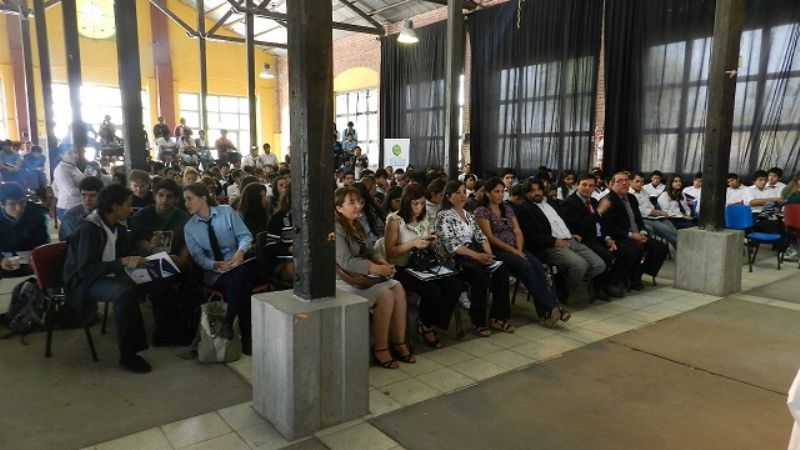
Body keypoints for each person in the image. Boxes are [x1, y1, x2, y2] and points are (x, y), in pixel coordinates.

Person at [63, 185, 152, 373]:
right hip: (85, 282)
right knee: (124, 293)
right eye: (128, 205)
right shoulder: (89, 229)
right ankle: (128, 356)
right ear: (115, 206)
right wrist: (122, 262)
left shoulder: (117, 227)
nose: (131, 209)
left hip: (107, 275)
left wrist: (148, 253)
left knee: (154, 278)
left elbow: (126, 254)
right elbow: (84, 271)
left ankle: (165, 333)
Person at [335, 186, 414, 369]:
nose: (358, 206)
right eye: (352, 203)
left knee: (397, 287)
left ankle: (399, 341)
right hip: (344, 279)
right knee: (385, 295)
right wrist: (376, 268)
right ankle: (380, 347)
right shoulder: (336, 227)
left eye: (359, 202)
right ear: (339, 208)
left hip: (362, 274)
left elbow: (369, 249)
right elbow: (345, 262)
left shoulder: (356, 223)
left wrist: (382, 262)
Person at [475, 178, 566, 327]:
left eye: (502, 191)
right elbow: (490, 237)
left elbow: (517, 230)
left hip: (517, 248)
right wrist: (514, 251)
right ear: (487, 193)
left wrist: (518, 249)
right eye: (496, 192)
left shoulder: (507, 208)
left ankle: (546, 314)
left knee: (537, 266)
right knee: (526, 267)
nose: (500, 195)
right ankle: (554, 306)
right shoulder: (482, 211)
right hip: (498, 250)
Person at [385, 184, 462, 347]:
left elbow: (428, 243)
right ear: (407, 202)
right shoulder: (395, 220)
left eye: (422, 203)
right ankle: (426, 326)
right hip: (402, 267)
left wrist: (431, 242)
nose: (419, 207)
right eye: (415, 204)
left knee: (454, 284)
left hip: (422, 264)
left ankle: (431, 322)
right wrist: (412, 243)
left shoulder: (423, 219)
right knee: (432, 290)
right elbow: (390, 252)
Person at [183, 183, 256, 354]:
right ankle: (245, 337)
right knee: (241, 285)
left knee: (240, 276)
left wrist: (240, 251)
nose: (186, 203)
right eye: (184, 200)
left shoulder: (227, 212)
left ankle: (228, 324)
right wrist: (214, 264)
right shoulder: (190, 228)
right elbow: (198, 257)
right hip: (215, 271)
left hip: (238, 262)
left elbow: (245, 236)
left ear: (203, 198)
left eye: (189, 199)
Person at [435, 180, 513, 337]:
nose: (462, 196)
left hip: (474, 256)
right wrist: (478, 256)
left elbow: (481, 236)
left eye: (464, 192)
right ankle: (479, 322)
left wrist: (488, 253)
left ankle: (497, 317)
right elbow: (453, 246)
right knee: (481, 277)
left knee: (502, 271)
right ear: (448, 196)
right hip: (455, 260)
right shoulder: (443, 216)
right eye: (457, 193)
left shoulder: (469, 215)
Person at [514, 178, 607, 302]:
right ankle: (567, 289)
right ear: (526, 193)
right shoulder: (524, 208)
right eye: (532, 191)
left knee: (599, 265)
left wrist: (571, 233)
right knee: (580, 265)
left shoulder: (550, 203)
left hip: (568, 239)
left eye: (539, 189)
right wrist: (554, 241)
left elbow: (562, 221)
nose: (536, 193)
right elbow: (531, 234)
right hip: (549, 245)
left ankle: (563, 283)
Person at [128, 179, 193, 346]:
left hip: (174, 261)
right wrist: (149, 246)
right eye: (161, 195)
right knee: (163, 281)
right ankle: (166, 333)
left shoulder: (182, 217)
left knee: (193, 280)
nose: (164, 200)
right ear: (154, 196)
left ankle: (186, 326)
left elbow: (187, 242)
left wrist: (183, 257)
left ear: (176, 199)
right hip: (143, 265)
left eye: (169, 196)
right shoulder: (141, 217)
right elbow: (135, 244)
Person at [562, 173, 638, 299]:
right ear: (577, 185)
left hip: (600, 238)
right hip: (584, 239)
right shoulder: (570, 203)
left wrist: (608, 238)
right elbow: (581, 226)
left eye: (591, 186)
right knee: (607, 256)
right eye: (584, 185)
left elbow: (602, 224)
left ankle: (609, 282)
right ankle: (597, 287)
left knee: (629, 252)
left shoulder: (593, 201)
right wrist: (598, 212)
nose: (587, 188)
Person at [600, 172, 669, 290]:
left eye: (626, 180)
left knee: (661, 248)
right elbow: (610, 227)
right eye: (620, 181)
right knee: (637, 249)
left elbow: (638, 219)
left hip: (637, 234)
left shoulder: (632, 198)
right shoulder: (608, 200)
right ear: (612, 183)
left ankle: (637, 274)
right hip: (620, 236)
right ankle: (624, 279)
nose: (624, 183)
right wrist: (631, 235)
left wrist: (643, 232)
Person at [0, 182, 49, 278]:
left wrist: (36, 255)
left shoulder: (36, 214)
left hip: (30, 261)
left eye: (22, 202)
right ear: (2, 204)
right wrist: (1, 260)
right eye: (12, 204)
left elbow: (42, 241)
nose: (18, 208)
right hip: (5, 261)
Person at [629, 172, 678, 248]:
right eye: (637, 181)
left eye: (642, 182)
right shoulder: (629, 194)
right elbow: (638, 210)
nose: (640, 184)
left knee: (671, 226)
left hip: (653, 216)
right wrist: (656, 212)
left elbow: (650, 206)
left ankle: (680, 248)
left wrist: (658, 213)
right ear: (630, 181)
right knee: (664, 228)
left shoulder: (644, 191)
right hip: (641, 218)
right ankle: (682, 248)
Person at [264, 188, 294, 284]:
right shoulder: (278, 218)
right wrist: (289, 249)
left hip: (308, 259)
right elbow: (270, 247)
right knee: (302, 268)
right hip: (284, 262)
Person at [60, 176, 104, 241]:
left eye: (93, 195)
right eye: (83, 195)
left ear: (101, 195)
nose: (87, 199)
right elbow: (70, 243)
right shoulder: (71, 216)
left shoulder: (107, 212)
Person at [52, 147, 85, 220]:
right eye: (70, 153)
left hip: (78, 205)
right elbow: (71, 191)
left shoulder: (73, 167)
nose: (75, 155)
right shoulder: (61, 169)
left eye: (76, 152)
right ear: (61, 155)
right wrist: (87, 192)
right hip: (67, 208)